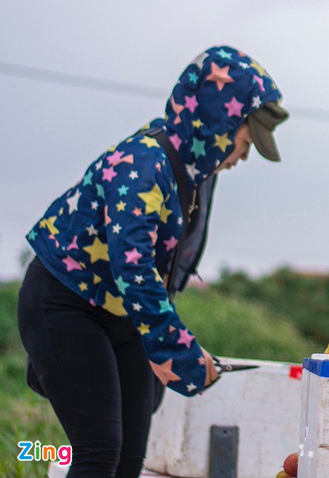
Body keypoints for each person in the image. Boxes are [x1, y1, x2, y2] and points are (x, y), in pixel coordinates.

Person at [17, 46, 288, 478]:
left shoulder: (192, 171)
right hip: (65, 303)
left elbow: (165, 274)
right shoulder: (143, 164)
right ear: (218, 126)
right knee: (99, 451)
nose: (242, 157)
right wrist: (179, 351)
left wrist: (168, 346)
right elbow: (136, 269)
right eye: (243, 143)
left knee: (128, 459)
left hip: (121, 312)